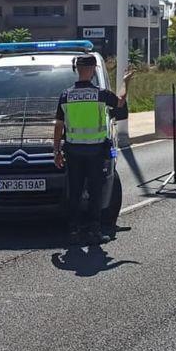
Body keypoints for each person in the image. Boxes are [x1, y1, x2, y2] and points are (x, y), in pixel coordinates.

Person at [54, 55, 131, 245]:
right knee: (96, 192)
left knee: (75, 191)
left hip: (73, 152)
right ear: (93, 70)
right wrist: (125, 82)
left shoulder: (66, 95)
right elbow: (120, 102)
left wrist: (56, 151)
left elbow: (58, 125)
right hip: (95, 151)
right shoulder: (100, 94)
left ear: (77, 69)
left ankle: (73, 229)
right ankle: (94, 230)